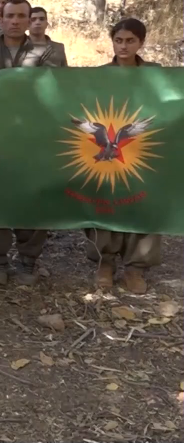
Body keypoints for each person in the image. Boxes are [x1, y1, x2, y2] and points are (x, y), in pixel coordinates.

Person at [0, 0, 59, 285]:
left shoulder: (46, 54)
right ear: (1, 19)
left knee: (32, 198)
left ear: (28, 20)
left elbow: (59, 96)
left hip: (33, 140)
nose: (14, 21)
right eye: (9, 16)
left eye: (21, 16)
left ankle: (28, 260)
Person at [84, 18, 161, 294]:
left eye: (130, 41)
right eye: (118, 40)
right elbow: (85, 106)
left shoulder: (156, 74)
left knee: (145, 202)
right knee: (106, 200)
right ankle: (105, 263)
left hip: (145, 149)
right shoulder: (100, 75)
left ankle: (135, 268)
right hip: (109, 150)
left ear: (141, 42)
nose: (123, 46)